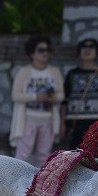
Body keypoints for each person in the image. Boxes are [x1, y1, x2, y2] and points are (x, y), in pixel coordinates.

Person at [10, 35, 64, 166]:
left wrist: (54, 98)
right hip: (27, 120)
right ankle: (17, 183)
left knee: (44, 157)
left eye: (48, 50)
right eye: (41, 50)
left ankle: (40, 185)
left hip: (48, 121)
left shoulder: (54, 72)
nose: (45, 53)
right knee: (22, 156)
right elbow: (15, 95)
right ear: (32, 53)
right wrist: (35, 96)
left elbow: (61, 95)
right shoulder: (24, 72)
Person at [61, 38, 98, 150]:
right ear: (79, 51)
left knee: (95, 155)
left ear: (97, 52)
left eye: (91, 47)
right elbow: (64, 100)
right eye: (84, 47)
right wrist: (62, 124)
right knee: (74, 155)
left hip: (96, 122)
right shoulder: (71, 74)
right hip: (74, 124)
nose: (87, 50)